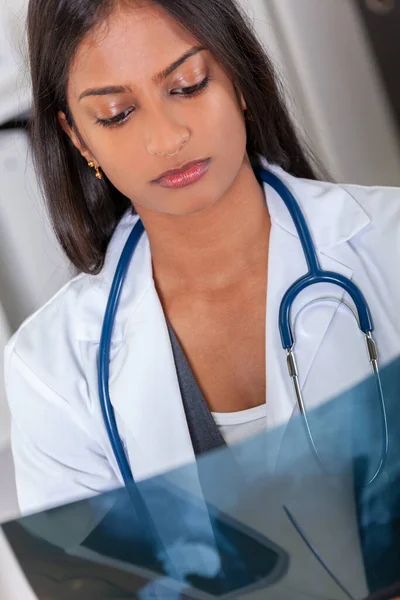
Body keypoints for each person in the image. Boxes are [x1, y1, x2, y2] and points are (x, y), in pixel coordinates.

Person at [3, 0, 400, 595]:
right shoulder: (53, 369)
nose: (168, 138)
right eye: (116, 114)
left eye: (187, 85)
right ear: (76, 136)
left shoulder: (389, 246)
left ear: (238, 76)